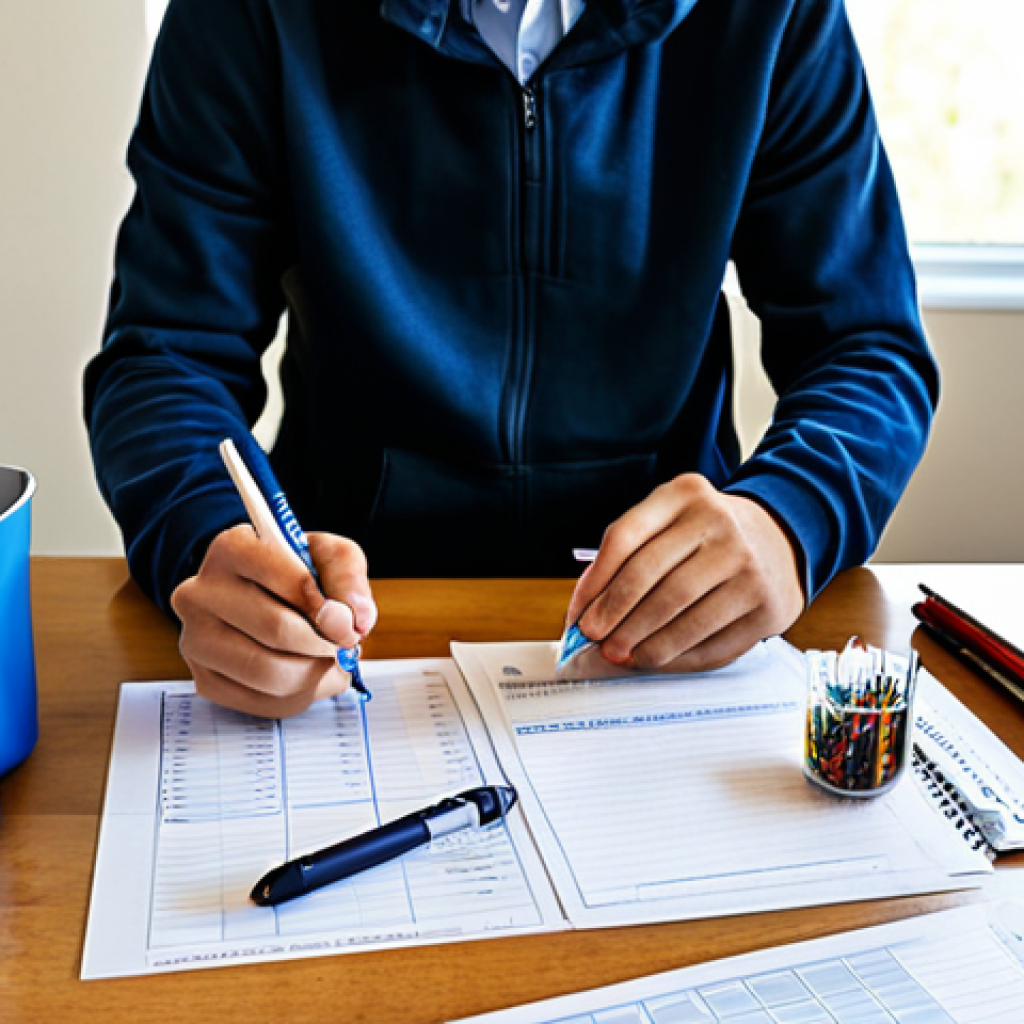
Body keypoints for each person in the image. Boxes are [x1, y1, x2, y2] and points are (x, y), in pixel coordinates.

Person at [84, 0, 938, 719]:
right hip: (346, 634)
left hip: (675, 643)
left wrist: (788, 519)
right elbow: (164, 358)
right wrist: (209, 540)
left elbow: (867, 347)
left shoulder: (772, 13)